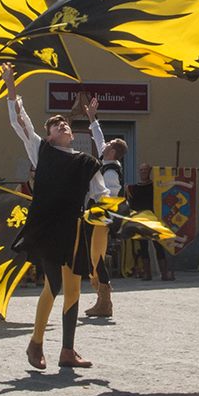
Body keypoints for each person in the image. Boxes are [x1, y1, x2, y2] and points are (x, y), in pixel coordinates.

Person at [3, 63, 107, 370]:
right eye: (56, 126)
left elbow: (102, 195)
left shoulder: (86, 162)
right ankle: (36, 343)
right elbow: (18, 122)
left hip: (74, 231)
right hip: (48, 230)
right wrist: (11, 86)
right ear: (47, 137)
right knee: (53, 285)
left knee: (73, 288)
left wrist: (117, 216)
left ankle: (67, 350)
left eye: (65, 125)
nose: (63, 127)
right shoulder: (40, 151)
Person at [84, 129, 126, 319]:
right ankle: (102, 300)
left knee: (97, 257)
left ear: (112, 152)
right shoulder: (107, 160)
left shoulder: (110, 172)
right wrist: (93, 119)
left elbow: (111, 196)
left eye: (110, 142)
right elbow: (100, 140)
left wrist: (100, 215)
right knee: (93, 257)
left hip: (100, 216)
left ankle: (104, 302)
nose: (106, 143)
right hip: (96, 215)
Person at [127, 164, 175, 281]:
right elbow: (132, 205)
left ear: (149, 171)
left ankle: (164, 273)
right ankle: (147, 273)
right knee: (143, 247)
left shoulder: (156, 187)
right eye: (141, 170)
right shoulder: (134, 189)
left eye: (145, 170)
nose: (143, 172)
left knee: (159, 246)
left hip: (154, 220)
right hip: (140, 220)